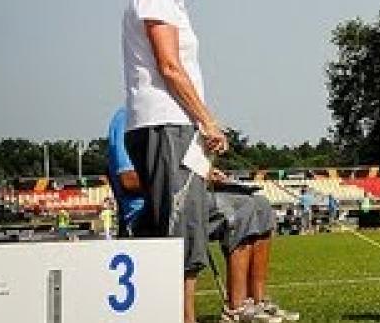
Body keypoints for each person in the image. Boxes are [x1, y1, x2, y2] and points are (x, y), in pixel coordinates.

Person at [121, 0, 228, 323]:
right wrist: (208, 122)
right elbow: (170, 65)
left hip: (171, 124)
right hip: (166, 123)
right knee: (180, 229)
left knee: (186, 225)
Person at [107, 108, 299, 323]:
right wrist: (184, 180)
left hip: (185, 197)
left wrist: (204, 175)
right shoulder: (127, 118)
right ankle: (237, 309)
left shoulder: (173, 115)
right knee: (241, 208)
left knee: (261, 205)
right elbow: (127, 180)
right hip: (148, 212)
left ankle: (257, 301)